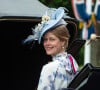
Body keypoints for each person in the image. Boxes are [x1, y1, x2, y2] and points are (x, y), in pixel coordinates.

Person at [24, 7, 79, 90]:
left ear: (63, 41)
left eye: (52, 39)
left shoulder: (49, 68)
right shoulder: (71, 61)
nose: (47, 43)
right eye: (45, 39)